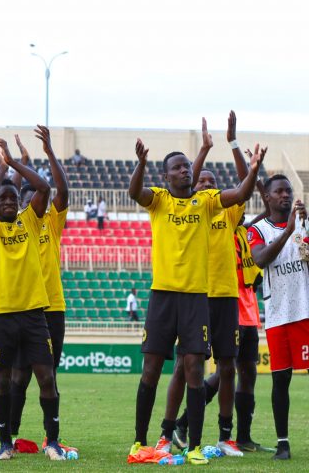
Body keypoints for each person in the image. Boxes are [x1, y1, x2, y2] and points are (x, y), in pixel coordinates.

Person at [127, 136, 264, 465]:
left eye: (187, 166)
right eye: (177, 167)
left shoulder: (206, 203)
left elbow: (242, 194)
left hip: (195, 299)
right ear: (166, 176)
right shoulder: (159, 200)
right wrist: (142, 164)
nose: (185, 171)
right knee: (151, 369)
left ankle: (194, 447)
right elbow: (135, 192)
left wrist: (254, 169)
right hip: (162, 296)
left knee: (193, 368)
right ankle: (139, 442)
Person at [162, 113, 250, 456]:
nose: (208, 185)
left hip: (225, 297)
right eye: (202, 181)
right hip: (194, 297)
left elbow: (246, 181)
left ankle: (225, 436)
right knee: (185, 367)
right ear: (193, 185)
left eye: (213, 183)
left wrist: (233, 142)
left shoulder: (225, 213)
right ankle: (169, 433)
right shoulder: (189, 210)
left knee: (227, 366)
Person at [0, 137, 65, 461]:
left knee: (46, 378)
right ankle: (5, 443)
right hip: (1, 315)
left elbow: (43, 189)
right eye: (3, 199)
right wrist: (2, 172)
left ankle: (53, 441)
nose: (7, 202)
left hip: (34, 315)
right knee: (4, 382)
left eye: (13, 198)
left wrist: (14, 164)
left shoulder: (31, 220)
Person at [9, 126, 70, 444]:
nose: (37, 199)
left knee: (49, 375)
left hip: (53, 307)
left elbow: (62, 190)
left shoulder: (52, 220)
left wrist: (48, 153)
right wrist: (19, 161)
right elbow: (13, 188)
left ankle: (51, 438)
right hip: (25, 307)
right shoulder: (16, 224)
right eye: (30, 196)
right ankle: (14, 435)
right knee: (18, 376)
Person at [249, 175, 309, 460]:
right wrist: (287, 231)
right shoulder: (257, 229)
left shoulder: (305, 223)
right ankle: (283, 443)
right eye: (279, 191)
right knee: (280, 381)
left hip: (306, 312)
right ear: (268, 197)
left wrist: (302, 228)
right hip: (278, 316)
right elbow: (260, 260)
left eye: (289, 190)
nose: (286, 195)